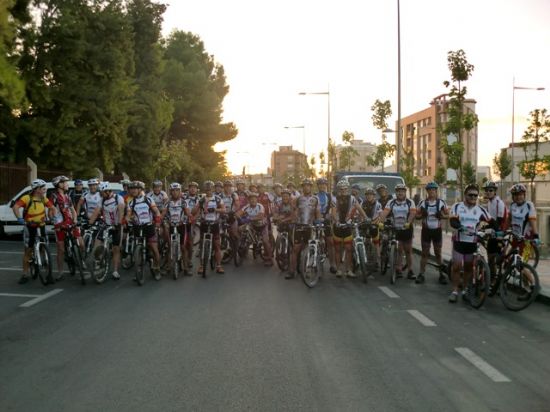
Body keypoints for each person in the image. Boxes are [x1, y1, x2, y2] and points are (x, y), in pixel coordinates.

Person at [448, 184, 493, 303]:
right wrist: (460, 227)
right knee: (456, 267)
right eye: (470, 195)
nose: (473, 197)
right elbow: (452, 221)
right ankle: (454, 291)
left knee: (468, 268)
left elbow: (492, 221)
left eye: (475, 195)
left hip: (472, 242)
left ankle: (465, 290)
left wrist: (497, 231)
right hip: (459, 241)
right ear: (465, 195)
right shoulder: (457, 206)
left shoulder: (480, 209)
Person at [12, 179, 56, 284]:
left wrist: (51, 216)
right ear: (37, 189)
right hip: (30, 227)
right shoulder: (27, 198)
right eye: (43, 188)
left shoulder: (43, 199)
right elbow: (16, 207)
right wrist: (19, 218)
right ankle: (25, 274)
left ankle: (48, 274)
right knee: (28, 250)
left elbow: (53, 207)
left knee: (44, 249)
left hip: (41, 226)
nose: (45, 190)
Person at [378, 183, 416, 280]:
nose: (400, 193)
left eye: (402, 191)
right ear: (396, 192)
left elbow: (412, 213)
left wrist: (408, 222)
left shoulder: (410, 202)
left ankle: (410, 270)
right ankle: (398, 269)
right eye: (398, 191)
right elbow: (384, 213)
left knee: (408, 250)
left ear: (405, 192)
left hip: (406, 228)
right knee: (399, 249)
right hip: (395, 228)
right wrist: (381, 222)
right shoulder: (391, 202)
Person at [88, 182, 125, 280]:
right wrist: (89, 223)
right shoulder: (102, 200)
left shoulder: (118, 198)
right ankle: (98, 259)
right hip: (105, 225)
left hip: (117, 225)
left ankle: (115, 271)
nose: (100, 194)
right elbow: (96, 212)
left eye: (102, 192)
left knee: (116, 249)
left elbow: (121, 211)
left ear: (108, 191)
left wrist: (119, 224)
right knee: (97, 243)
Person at [50, 175, 84, 280]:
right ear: (59, 185)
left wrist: (75, 219)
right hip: (59, 225)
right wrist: (53, 219)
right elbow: (50, 212)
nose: (67, 184)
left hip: (70, 223)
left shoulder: (67, 196)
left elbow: (73, 210)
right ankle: (60, 272)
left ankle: (80, 260)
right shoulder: (54, 197)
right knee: (61, 250)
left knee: (81, 244)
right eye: (65, 182)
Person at [126, 180, 162, 276]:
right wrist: (128, 219)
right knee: (138, 247)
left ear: (140, 189)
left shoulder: (148, 199)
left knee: (154, 248)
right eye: (131, 189)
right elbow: (128, 215)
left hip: (149, 226)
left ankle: (157, 267)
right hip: (138, 227)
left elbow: (157, 212)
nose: (133, 190)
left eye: (135, 188)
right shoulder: (130, 203)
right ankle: (138, 271)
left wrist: (158, 221)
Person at [331, 180, 366, 277]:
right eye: (341, 189)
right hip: (337, 226)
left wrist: (366, 218)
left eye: (345, 189)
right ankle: (338, 270)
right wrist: (336, 221)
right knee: (338, 249)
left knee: (348, 249)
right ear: (338, 190)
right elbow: (333, 212)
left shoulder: (352, 198)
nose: (343, 191)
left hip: (348, 226)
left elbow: (359, 208)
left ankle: (349, 270)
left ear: (348, 189)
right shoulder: (334, 199)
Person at [415, 181, 448, 284]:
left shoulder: (441, 202)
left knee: (438, 253)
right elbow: (416, 216)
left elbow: (449, 216)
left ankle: (441, 274)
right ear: (427, 191)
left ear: (436, 191)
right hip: (426, 231)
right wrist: (421, 216)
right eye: (429, 190)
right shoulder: (422, 203)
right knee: (425, 253)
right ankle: (421, 274)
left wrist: (441, 216)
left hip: (437, 231)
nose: (431, 191)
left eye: (433, 189)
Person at [192, 181, 226, 274]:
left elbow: (224, 210)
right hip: (204, 224)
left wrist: (215, 209)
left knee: (217, 245)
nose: (208, 191)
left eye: (210, 189)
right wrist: (198, 205)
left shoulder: (218, 199)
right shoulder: (202, 199)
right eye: (207, 189)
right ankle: (201, 266)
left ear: (213, 189)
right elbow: (194, 211)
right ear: (205, 190)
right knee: (202, 245)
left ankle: (219, 266)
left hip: (215, 224)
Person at [288, 179, 320, 277]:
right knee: (295, 249)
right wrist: (293, 220)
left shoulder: (315, 198)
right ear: (302, 187)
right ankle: (292, 271)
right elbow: (294, 210)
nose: (306, 187)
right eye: (304, 186)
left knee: (308, 248)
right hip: (299, 225)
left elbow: (317, 212)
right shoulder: (298, 198)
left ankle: (306, 270)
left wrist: (318, 221)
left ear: (311, 187)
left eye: (308, 185)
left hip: (310, 226)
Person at [237, 191, 274, 267]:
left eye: (254, 199)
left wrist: (250, 218)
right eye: (251, 199)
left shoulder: (260, 206)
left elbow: (260, 216)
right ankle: (243, 244)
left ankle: (270, 259)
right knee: (240, 229)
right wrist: (237, 216)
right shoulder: (247, 207)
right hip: (252, 225)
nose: (253, 200)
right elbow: (239, 213)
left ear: (257, 200)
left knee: (265, 241)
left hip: (262, 225)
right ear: (248, 200)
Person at [162, 182, 191, 275]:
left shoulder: (183, 202)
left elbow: (188, 214)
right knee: (169, 246)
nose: (175, 192)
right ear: (170, 192)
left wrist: (185, 220)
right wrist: (162, 221)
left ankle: (186, 268)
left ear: (180, 191)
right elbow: (163, 214)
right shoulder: (167, 202)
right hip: (171, 226)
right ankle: (168, 267)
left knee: (183, 247)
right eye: (173, 191)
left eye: (177, 190)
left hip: (181, 226)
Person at [483, 181, 507, 276]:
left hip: (499, 232)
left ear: (495, 191)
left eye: (490, 190)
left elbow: (500, 220)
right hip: (493, 231)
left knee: (496, 257)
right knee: (490, 256)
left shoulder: (499, 202)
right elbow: (489, 219)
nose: (488, 192)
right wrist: (485, 227)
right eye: (486, 190)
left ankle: (498, 276)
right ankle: (492, 278)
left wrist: (488, 227)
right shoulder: (489, 202)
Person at [315, 177, 336, 273]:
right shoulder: (314, 196)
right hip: (317, 220)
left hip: (327, 220)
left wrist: (332, 215)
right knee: (314, 241)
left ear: (326, 186)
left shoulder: (330, 196)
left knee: (330, 242)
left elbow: (334, 207)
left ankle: (332, 264)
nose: (322, 186)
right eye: (320, 184)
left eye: (324, 184)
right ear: (318, 186)